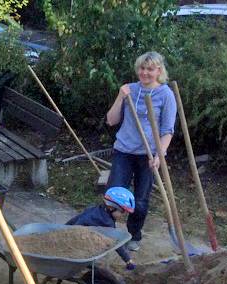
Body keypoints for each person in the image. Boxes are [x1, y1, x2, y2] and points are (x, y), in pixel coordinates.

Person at [105, 51, 177, 252]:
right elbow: (111, 120)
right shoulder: (129, 90)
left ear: (159, 71)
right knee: (112, 195)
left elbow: (167, 131)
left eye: (150, 69)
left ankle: (133, 235)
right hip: (124, 151)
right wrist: (120, 96)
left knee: (141, 201)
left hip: (148, 155)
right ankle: (108, 233)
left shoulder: (166, 95)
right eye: (142, 68)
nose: (145, 73)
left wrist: (159, 155)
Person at [67, 187, 137, 269]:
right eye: (123, 211)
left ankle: (83, 263)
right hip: (72, 244)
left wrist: (64, 227)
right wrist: (128, 260)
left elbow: (74, 220)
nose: (124, 215)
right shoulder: (105, 221)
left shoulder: (98, 209)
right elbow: (115, 242)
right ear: (111, 207)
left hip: (70, 234)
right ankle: (80, 264)